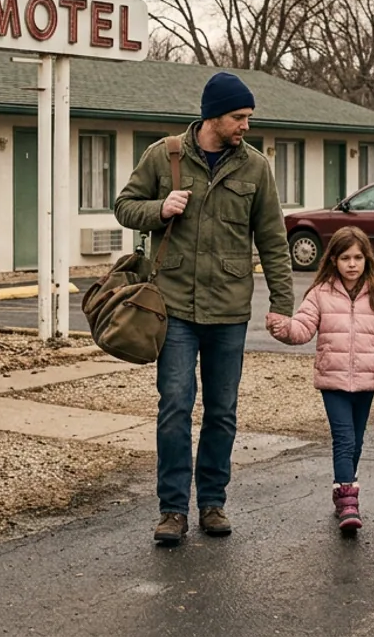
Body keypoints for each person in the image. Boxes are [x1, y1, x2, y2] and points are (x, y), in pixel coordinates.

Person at [114, 70, 296, 546]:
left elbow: (273, 240)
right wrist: (159, 209)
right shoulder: (164, 155)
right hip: (172, 308)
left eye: (248, 118)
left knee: (222, 411)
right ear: (213, 115)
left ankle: (212, 502)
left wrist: (282, 303)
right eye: (240, 117)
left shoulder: (255, 168)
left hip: (230, 310)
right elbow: (124, 206)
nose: (246, 126)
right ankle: (172, 510)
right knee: (174, 406)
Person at [275, 226, 374, 532]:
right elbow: (303, 328)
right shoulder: (320, 294)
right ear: (333, 259)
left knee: (356, 441)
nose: (352, 264)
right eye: (345, 257)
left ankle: (341, 489)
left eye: (358, 257)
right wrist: (284, 328)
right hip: (333, 382)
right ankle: (349, 500)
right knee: (344, 439)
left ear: (367, 259)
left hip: (366, 382)